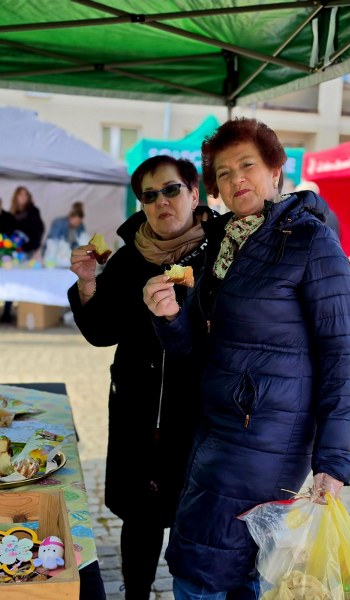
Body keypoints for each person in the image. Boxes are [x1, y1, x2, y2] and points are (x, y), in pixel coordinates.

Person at [143, 117, 350, 598]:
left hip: (269, 433)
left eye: (247, 165)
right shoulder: (224, 243)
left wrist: (332, 460)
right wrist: (169, 316)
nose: (236, 179)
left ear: (275, 170)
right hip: (215, 423)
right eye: (223, 173)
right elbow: (192, 347)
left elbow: (340, 357)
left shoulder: (312, 242)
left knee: (202, 566)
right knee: (238, 565)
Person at [68, 155, 217, 600]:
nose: (161, 202)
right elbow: (102, 332)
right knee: (140, 516)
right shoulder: (130, 257)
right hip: (137, 409)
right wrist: (88, 283)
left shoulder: (222, 251)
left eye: (171, 190)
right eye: (149, 196)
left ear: (194, 193)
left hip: (200, 411)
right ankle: (136, 593)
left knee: (200, 514)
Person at [1, 186, 45, 323]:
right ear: (16, 196)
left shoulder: (32, 212)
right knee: (10, 279)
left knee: (22, 279)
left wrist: (31, 247)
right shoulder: (12, 213)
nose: (23, 197)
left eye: (25, 195)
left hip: (25, 252)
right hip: (11, 251)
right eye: (20, 195)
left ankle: (22, 312)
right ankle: (8, 311)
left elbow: (38, 231)